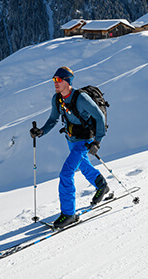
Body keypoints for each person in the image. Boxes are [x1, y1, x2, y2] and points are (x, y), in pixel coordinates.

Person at [30, 66, 110, 228]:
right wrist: (40, 132)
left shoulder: (81, 98)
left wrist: (97, 141)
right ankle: (102, 185)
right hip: (71, 139)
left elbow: (99, 117)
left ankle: (69, 214)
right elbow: (53, 119)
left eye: (58, 80)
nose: (55, 83)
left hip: (84, 140)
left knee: (66, 174)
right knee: (83, 165)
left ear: (68, 81)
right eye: (54, 80)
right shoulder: (57, 99)